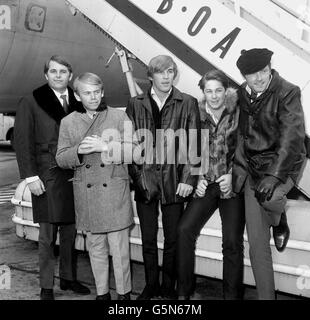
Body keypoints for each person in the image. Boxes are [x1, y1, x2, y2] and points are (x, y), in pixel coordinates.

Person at [14, 55, 90, 300]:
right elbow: (22, 141)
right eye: (53, 72)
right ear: (46, 75)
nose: (58, 76)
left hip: (74, 174)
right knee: (47, 236)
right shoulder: (32, 101)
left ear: (70, 76)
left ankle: (68, 278)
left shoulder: (78, 102)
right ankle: (46, 286)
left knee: (70, 232)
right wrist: (30, 177)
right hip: (46, 175)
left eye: (63, 72)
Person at [126, 55, 201, 300]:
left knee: (172, 240)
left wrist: (188, 180)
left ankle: (168, 286)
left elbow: (194, 145)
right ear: (150, 76)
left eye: (170, 71)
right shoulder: (135, 104)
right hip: (146, 181)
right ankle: (150, 285)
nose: (166, 76)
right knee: (148, 239)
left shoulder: (187, 102)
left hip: (174, 182)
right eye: (161, 72)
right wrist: (138, 178)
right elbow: (129, 145)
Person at [56, 72, 136, 300]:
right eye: (86, 93)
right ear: (77, 96)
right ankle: (102, 295)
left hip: (114, 192)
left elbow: (136, 152)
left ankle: (124, 296)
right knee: (96, 249)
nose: (92, 97)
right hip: (87, 195)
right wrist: (77, 152)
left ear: (102, 93)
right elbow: (60, 158)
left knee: (120, 251)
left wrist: (105, 147)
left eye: (96, 92)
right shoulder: (68, 122)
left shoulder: (119, 118)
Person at [233, 48, 306, 299]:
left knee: (272, 199)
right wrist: (240, 167)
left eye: (263, 71)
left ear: (270, 67)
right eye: (252, 75)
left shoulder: (288, 91)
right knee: (256, 246)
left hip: (284, 165)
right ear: (244, 76)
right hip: (254, 170)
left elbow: (292, 139)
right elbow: (242, 133)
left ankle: (278, 219)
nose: (260, 78)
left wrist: (274, 176)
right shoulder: (242, 93)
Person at [176, 70, 245, 300]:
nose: (214, 96)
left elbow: (248, 150)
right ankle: (184, 293)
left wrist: (233, 176)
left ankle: (231, 296)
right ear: (203, 92)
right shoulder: (196, 113)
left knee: (232, 242)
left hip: (231, 185)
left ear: (226, 91)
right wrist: (196, 179)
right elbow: (190, 150)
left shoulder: (239, 113)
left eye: (218, 90)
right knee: (184, 230)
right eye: (209, 91)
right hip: (206, 183)